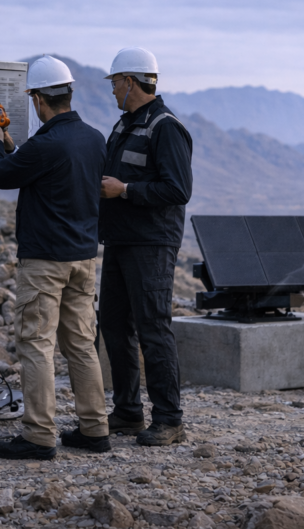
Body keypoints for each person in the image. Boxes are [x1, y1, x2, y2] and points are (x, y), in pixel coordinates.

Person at [0, 56, 109, 460]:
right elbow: (39, 166)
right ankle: (95, 428)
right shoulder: (94, 138)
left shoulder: (46, 144)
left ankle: (38, 435)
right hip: (83, 258)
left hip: (45, 263)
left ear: (37, 100)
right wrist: (10, 144)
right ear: (69, 93)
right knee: (81, 345)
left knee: (36, 344)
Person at [98, 47, 193, 446]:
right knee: (114, 325)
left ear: (130, 82)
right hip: (120, 241)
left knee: (153, 328)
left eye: (115, 83)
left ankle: (169, 419)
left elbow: (178, 189)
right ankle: (128, 412)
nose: (112, 90)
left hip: (151, 244)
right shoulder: (124, 126)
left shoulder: (165, 127)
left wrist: (125, 190)